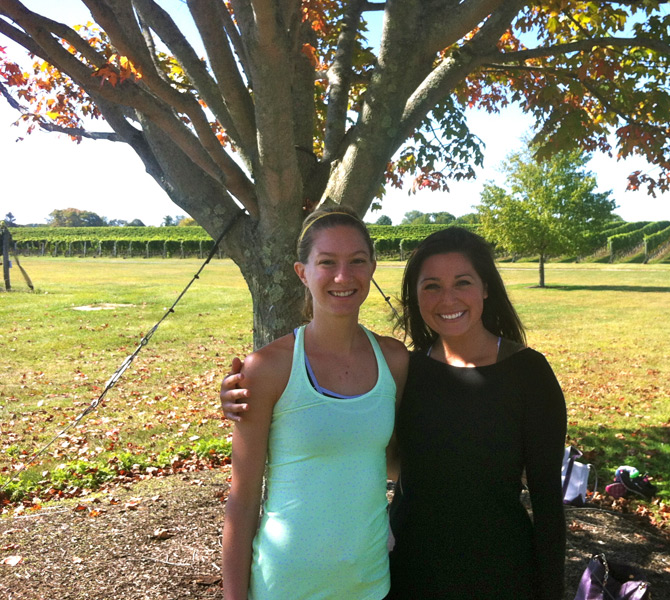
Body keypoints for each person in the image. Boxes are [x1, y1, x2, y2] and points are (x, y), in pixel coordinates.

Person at [222, 227, 567, 600]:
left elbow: (548, 501)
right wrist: (246, 395)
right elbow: (385, 455)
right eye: (431, 286)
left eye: (462, 282)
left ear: (486, 287)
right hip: (407, 571)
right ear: (415, 297)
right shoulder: (408, 369)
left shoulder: (526, 373)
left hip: (498, 571)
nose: (447, 298)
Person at [221, 206, 408, 600]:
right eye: (327, 262)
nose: (344, 276)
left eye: (357, 261)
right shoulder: (267, 369)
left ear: (372, 267)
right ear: (302, 272)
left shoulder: (394, 360)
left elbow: (392, 462)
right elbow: (242, 501)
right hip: (285, 585)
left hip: (370, 584)